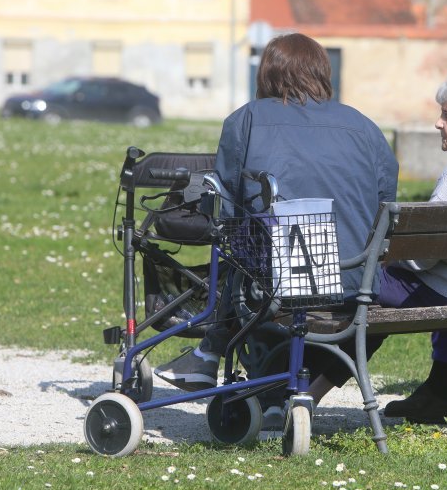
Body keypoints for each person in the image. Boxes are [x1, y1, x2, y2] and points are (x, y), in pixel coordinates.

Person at [154, 33, 399, 392]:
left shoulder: (247, 119)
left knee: (247, 249)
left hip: (279, 284)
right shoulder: (363, 126)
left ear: (266, 73)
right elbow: (385, 205)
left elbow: (229, 205)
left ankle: (212, 354)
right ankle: (297, 399)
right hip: (354, 286)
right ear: (322, 72)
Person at [306, 73, 447, 424]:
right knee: (373, 290)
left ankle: (307, 389)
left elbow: (421, 257)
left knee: (360, 285)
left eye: (446, 115)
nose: (438, 123)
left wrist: (384, 257)